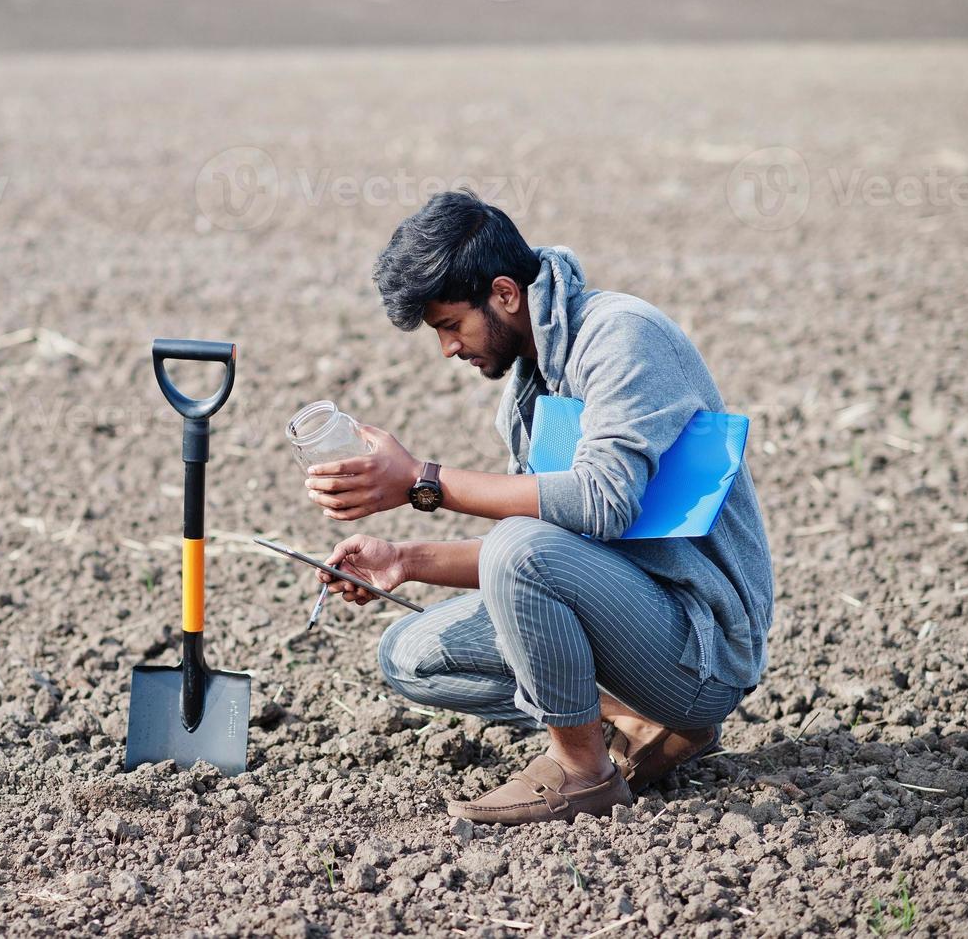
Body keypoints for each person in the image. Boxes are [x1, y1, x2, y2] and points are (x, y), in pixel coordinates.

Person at [304, 191, 773, 825]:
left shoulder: (622, 337)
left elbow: (600, 503)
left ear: (504, 294)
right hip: (622, 614)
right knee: (409, 653)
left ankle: (584, 772)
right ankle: (640, 722)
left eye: (450, 326)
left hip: (700, 647)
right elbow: (532, 565)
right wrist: (402, 560)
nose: (448, 349)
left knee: (516, 546)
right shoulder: (529, 386)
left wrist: (422, 480)